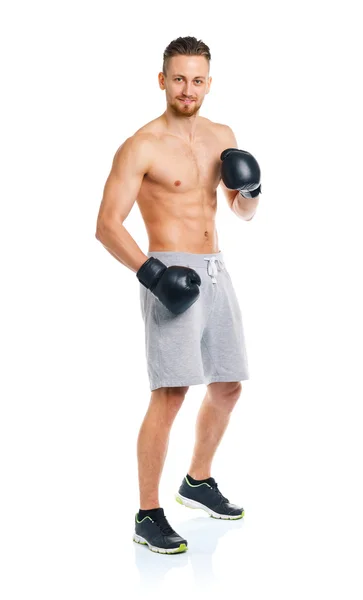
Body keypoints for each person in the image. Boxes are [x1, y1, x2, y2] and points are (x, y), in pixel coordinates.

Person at [95, 36, 261, 555]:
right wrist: (152, 273)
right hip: (169, 272)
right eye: (179, 78)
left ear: (208, 83)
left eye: (197, 80)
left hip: (216, 271)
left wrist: (252, 191)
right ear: (161, 80)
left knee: (229, 385)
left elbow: (242, 213)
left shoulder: (222, 135)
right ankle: (148, 514)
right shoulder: (140, 145)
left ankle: (197, 481)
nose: (187, 89)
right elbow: (106, 225)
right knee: (170, 394)